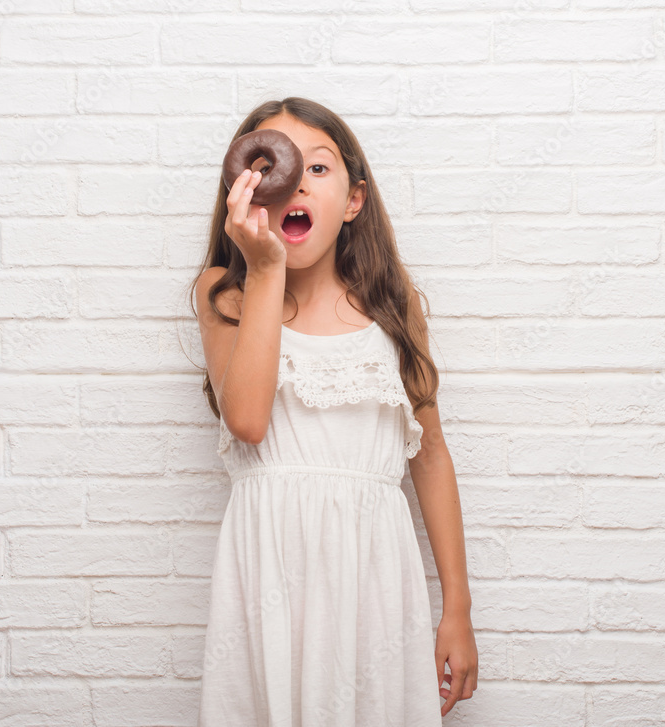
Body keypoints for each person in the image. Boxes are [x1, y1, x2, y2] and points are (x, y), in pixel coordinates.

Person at [189, 97, 478, 725]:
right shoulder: (226, 294)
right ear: (245, 191)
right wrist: (265, 269)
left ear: (354, 202)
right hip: (268, 572)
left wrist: (456, 607)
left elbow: (428, 455)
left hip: (373, 576)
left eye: (319, 169)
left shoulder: (394, 312)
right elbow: (246, 420)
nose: (296, 183)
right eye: (276, 169)